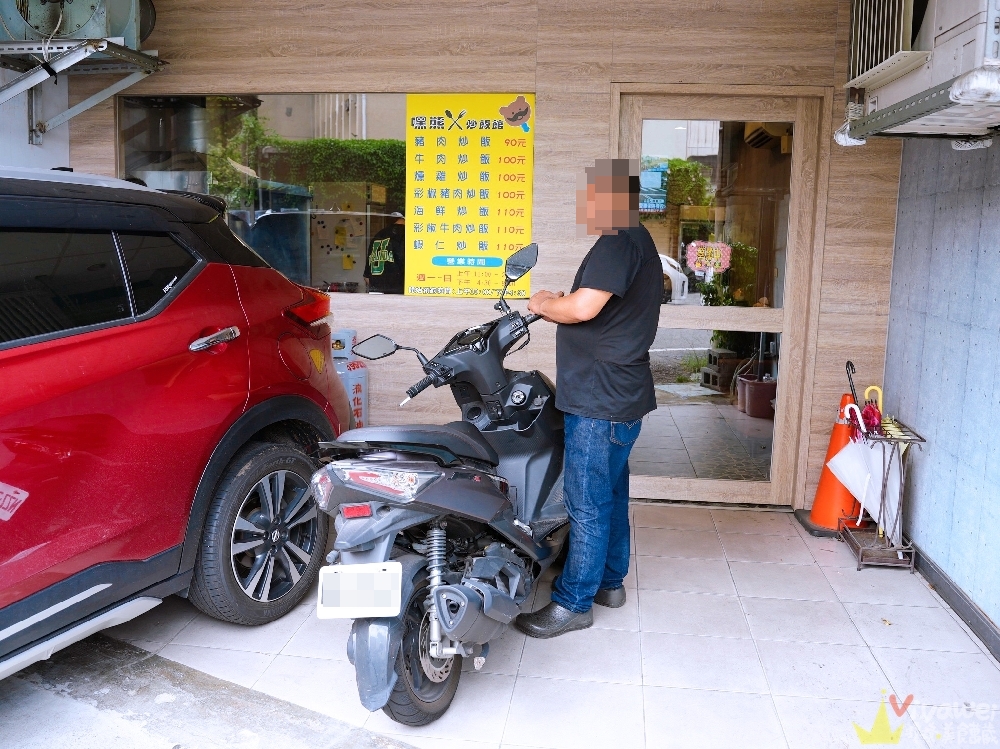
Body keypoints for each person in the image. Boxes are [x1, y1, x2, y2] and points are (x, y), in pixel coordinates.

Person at [515, 158, 663, 639]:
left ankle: (574, 602)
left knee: (586, 501)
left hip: (600, 399)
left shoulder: (619, 241)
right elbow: (595, 306)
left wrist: (542, 304)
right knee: (611, 492)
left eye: (591, 195)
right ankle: (609, 582)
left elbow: (583, 307)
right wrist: (565, 301)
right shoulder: (637, 241)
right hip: (619, 393)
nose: (586, 205)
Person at [364, 212, 405, 294]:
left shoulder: (378, 236)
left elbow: (366, 277)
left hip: (376, 291)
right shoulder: (405, 234)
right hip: (396, 291)